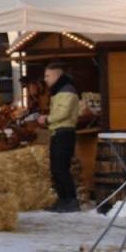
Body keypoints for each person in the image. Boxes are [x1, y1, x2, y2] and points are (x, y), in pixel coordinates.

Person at [44, 61, 81, 212]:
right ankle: (63, 200)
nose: (45, 79)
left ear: (56, 75)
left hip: (64, 133)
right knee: (56, 168)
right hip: (58, 132)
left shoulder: (67, 91)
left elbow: (63, 113)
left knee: (61, 168)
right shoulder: (59, 90)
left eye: (47, 76)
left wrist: (47, 119)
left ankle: (71, 201)